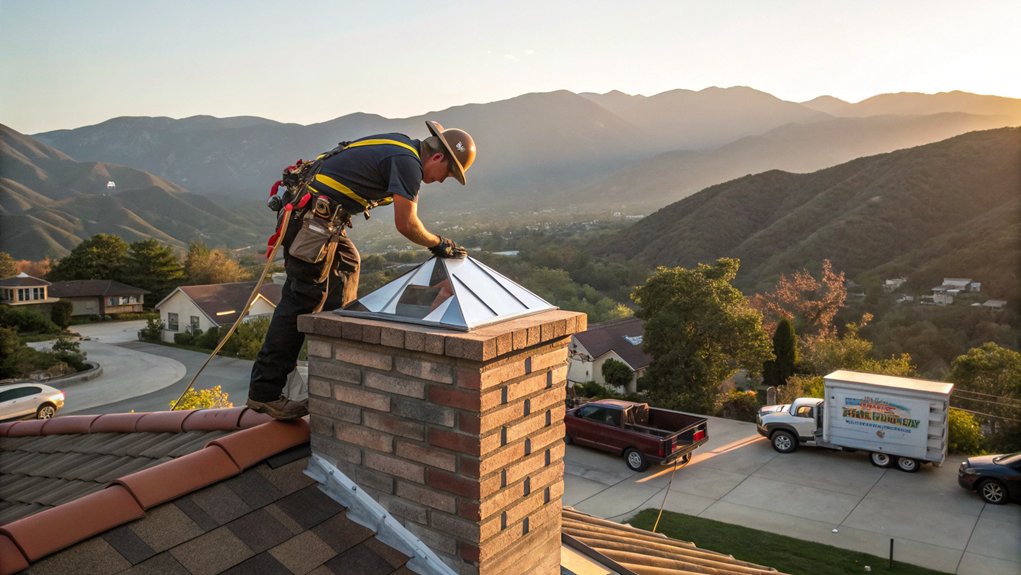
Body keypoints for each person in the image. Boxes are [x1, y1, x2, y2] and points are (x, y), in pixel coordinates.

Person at [246, 121, 476, 420]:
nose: (443, 180)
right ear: (437, 158)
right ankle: (267, 391)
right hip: (311, 223)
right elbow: (406, 224)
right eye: (447, 173)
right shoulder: (408, 164)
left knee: (346, 265)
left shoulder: (402, 145)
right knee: (303, 297)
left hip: (323, 221)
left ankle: (335, 361)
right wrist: (438, 244)